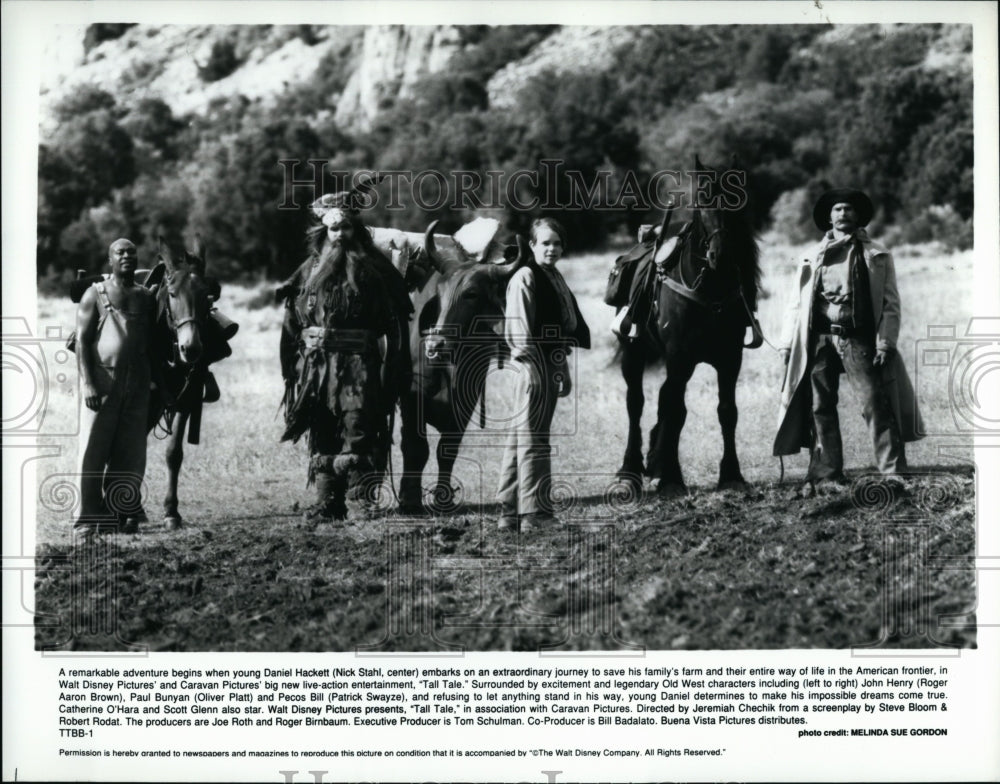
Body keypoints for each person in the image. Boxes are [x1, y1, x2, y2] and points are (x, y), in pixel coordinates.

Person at [773, 188, 923, 495]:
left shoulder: (875, 255)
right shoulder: (810, 257)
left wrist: (885, 343)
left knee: (874, 404)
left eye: (849, 209)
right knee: (820, 407)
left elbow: (891, 303)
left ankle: (893, 472)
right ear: (829, 216)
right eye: (838, 209)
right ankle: (827, 473)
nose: (843, 214)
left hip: (857, 337)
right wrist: (787, 343)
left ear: (858, 216)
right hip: (819, 340)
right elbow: (796, 303)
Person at [278, 193, 400, 522]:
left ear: (354, 228)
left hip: (358, 365)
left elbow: (395, 322)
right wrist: (292, 365)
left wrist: (392, 371)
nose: (339, 234)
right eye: (333, 228)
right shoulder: (308, 270)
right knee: (321, 427)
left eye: (345, 227)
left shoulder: (374, 270)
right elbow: (291, 321)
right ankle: (327, 501)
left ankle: (359, 499)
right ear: (323, 231)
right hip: (316, 367)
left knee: (357, 424)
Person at [496, 218, 591, 531]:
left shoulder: (552, 275)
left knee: (520, 438)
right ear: (532, 245)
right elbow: (519, 330)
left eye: (557, 243)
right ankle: (536, 515)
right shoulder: (526, 275)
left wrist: (561, 366)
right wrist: (531, 367)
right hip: (532, 367)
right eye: (545, 243)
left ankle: (509, 513)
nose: (552, 248)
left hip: (547, 364)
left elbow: (559, 328)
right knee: (534, 440)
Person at [74, 238, 158, 535]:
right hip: (103, 382)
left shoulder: (146, 297)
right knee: (93, 449)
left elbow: (154, 342)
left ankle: (121, 512)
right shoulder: (94, 294)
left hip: (137, 383)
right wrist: (88, 384)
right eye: (120, 252)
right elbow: (82, 342)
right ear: (110, 260)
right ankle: (88, 518)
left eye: (131, 252)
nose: (126, 256)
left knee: (131, 452)